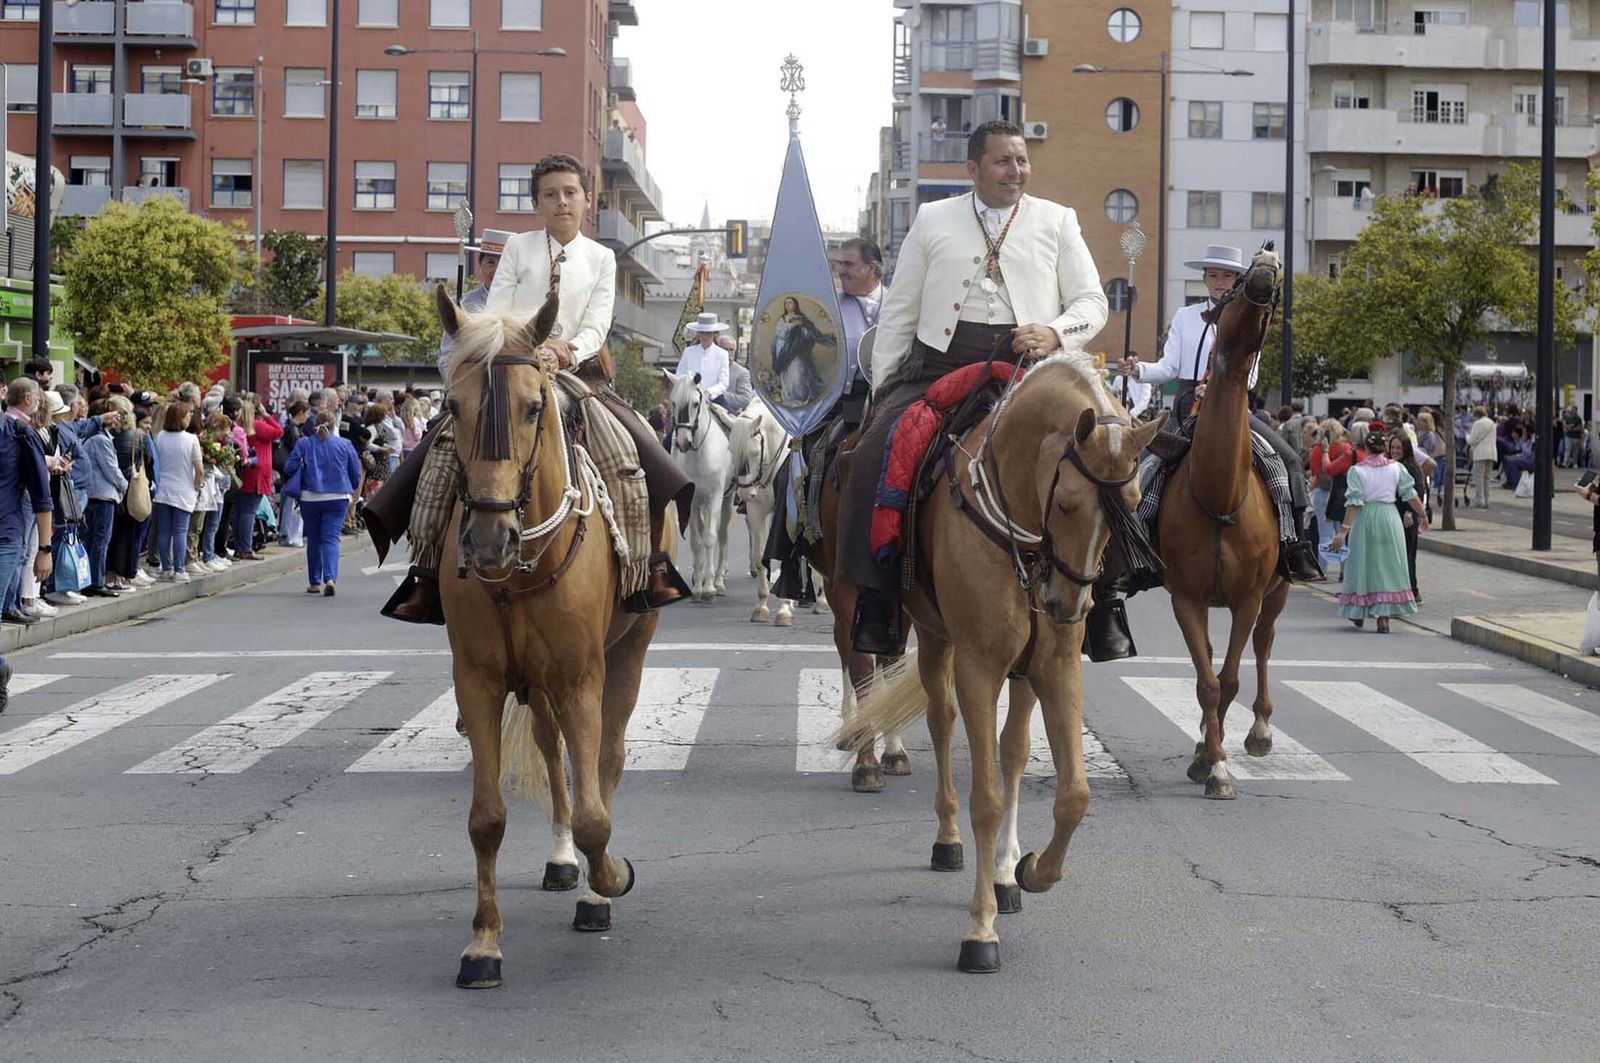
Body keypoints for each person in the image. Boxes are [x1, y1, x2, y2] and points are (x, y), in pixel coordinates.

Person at [384, 152, 692, 622]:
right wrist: (521, 348)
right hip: (511, 364)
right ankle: (426, 573)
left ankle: (642, 568)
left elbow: (597, 322)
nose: (561, 202)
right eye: (551, 195)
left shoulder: (602, 257)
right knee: (443, 446)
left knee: (628, 449)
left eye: (570, 193)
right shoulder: (519, 248)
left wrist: (566, 350)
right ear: (537, 203)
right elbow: (497, 307)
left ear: (586, 201)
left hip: (577, 370)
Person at [841, 119, 1109, 655]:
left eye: (1023, 160)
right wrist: (884, 388)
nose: (1017, 171)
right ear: (973, 169)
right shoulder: (932, 218)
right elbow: (899, 312)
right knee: (874, 453)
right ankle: (880, 595)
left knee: (1109, 460)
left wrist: (1055, 331)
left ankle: (1109, 602)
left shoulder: (1057, 221)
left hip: (1030, 371)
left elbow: (1092, 303)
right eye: (1004, 161)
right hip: (940, 367)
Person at [1330, 427, 1426, 634]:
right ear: (1385, 449)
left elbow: (1354, 503)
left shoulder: (1357, 471)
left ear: (1366, 447)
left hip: (1365, 519)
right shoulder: (1397, 468)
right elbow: (1410, 494)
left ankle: (1358, 610)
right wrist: (1423, 514)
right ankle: (1384, 618)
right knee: (1388, 565)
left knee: (1362, 563)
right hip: (1390, 518)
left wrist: (1343, 530)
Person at [0, 377, 54, 711]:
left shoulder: (19, 434)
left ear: (3, 392)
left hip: (4, 536)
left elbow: (41, 497)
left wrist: (44, 550)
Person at [284, 408, 363, 596]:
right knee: (331, 538)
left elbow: (289, 467)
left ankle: (314, 582)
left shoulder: (304, 443)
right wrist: (350, 490)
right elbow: (355, 473)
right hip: (338, 496)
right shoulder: (345, 444)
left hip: (310, 497)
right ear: (334, 424)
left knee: (314, 539)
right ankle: (330, 578)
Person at [437, 228, 510, 377]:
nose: (496, 270)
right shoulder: (462, 305)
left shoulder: (525, 303)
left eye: (503, 263)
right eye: (490, 262)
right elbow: (446, 357)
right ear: (480, 264)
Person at [80, 399, 129, 599]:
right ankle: (96, 581)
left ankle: (92, 580)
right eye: (114, 414)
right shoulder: (100, 439)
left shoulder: (95, 437)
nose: (118, 418)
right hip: (102, 495)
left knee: (93, 539)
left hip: (94, 494)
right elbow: (111, 468)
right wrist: (124, 485)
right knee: (100, 540)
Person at [151, 402, 204, 582]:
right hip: (184, 489)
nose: (190, 417)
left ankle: (166, 568)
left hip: (162, 489)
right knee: (181, 531)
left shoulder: (160, 437)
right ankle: (179, 569)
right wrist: (197, 486)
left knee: (164, 531)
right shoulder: (191, 440)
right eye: (187, 415)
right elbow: (199, 469)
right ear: (180, 419)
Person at [234, 398, 282, 561]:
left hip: (246, 472)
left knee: (242, 511)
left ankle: (240, 546)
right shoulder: (259, 425)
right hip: (258, 472)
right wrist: (267, 415)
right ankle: (245, 548)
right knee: (249, 512)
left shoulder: (240, 427)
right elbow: (278, 432)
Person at [1389, 433, 1431, 604]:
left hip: (1407, 516)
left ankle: (1413, 591)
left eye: (1398, 448)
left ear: (1405, 449)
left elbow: (1418, 491)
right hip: (1394, 513)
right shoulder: (1393, 465)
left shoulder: (1410, 467)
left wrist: (1410, 512)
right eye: (1392, 447)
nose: (1395, 451)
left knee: (1408, 554)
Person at [771, 296, 828, 407]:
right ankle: (788, 399)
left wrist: (802, 329)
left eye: (790, 303)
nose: (788, 305)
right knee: (786, 373)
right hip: (783, 348)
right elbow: (780, 332)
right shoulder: (783, 319)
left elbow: (810, 332)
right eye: (786, 303)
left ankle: (800, 399)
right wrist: (792, 325)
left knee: (798, 372)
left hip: (797, 349)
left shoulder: (802, 318)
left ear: (795, 304)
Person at [676, 313, 732, 408]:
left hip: (714, 399)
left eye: (709, 333)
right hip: (690, 398)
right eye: (702, 332)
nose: (705, 336)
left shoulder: (722, 354)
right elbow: (679, 375)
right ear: (698, 333)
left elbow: (724, 382)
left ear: (714, 334)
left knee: (732, 419)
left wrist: (709, 393)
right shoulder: (688, 352)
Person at [719, 336, 756, 415]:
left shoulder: (742, 372)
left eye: (731, 350)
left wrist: (720, 395)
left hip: (729, 417)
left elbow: (745, 399)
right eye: (725, 349)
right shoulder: (708, 367)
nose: (728, 353)